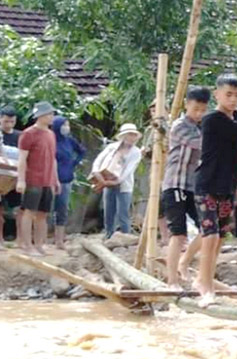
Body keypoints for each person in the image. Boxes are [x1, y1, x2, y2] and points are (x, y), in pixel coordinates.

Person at [193, 74, 237, 306]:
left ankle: (204, 278)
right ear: (217, 95)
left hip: (227, 186)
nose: (233, 99)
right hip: (207, 185)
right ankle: (204, 285)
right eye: (228, 95)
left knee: (220, 237)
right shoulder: (212, 118)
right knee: (210, 235)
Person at [162, 87, 210, 286]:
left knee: (208, 228)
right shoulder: (180, 126)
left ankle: (185, 261)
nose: (199, 113)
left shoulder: (201, 127)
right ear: (187, 105)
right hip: (175, 185)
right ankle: (172, 279)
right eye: (196, 108)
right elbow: (202, 144)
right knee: (179, 233)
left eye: (203, 109)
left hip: (192, 187)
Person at [15, 102, 59, 255]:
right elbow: (22, 159)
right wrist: (21, 180)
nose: (52, 117)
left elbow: (53, 158)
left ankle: (40, 244)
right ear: (41, 116)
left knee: (43, 214)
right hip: (33, 179)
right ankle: (27, 245)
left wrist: (56, 179)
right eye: (50, 114)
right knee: (29, 212)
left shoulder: (51, 134)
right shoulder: (28, 134)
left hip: (48, 180)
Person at [90, 124, 143, 238]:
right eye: (130, 135)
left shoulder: (136, 152)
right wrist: (96, 173)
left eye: (134, 135)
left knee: (122, 213)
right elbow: (99, 160)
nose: (132, 138)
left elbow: (129, 170)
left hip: (124, 185)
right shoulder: (112, 147)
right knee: (108, 211)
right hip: (106, 181)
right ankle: (108, 235)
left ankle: (126, 237)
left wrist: (116, 181)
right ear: (123, 136)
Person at [50, 116, 86, 249]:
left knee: (62, 209)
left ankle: (59, 240)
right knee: (46, 209)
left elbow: (82, 151)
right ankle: (44, 238)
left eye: (68, 125)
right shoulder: (51, 140)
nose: (67, 128)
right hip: (50, 180)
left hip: (66, 180)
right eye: (64, 125)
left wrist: (73, 163)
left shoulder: (70, 141)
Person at [1, 106, 22, 241]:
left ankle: (20, 238)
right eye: (6, 121)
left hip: (16, 178)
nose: (9, 124)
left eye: (12, 122)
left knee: (19, 209)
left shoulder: (20, 136)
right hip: (1, 177)